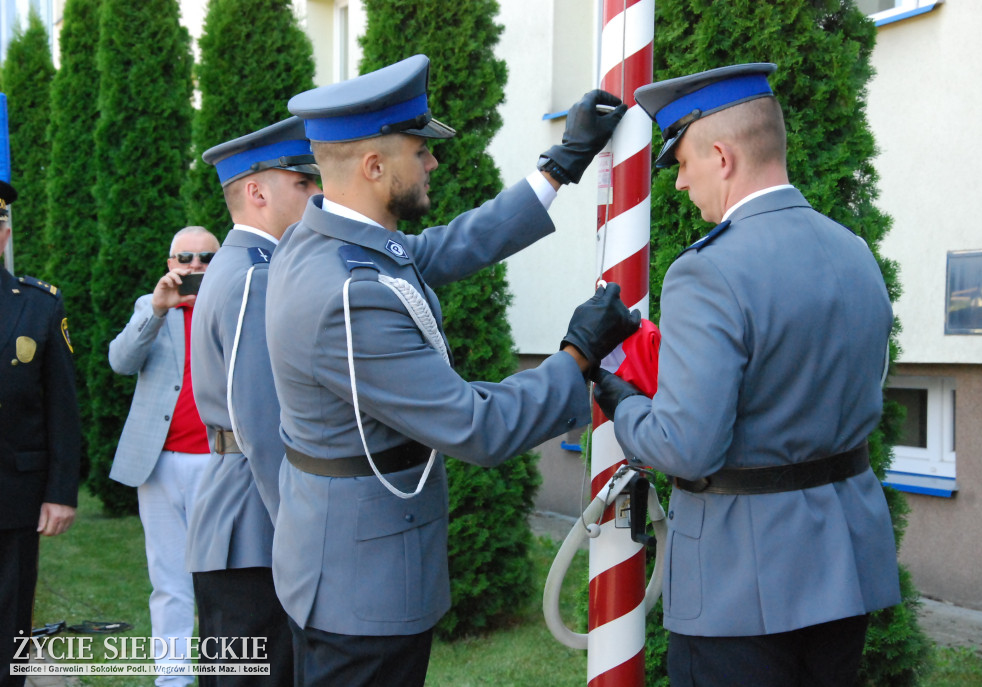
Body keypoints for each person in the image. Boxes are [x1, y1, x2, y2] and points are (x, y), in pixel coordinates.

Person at [266, 54, 637, 686]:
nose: (434, 161)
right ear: (374, 166)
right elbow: (477, 428)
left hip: (339, 561)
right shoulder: (347, 295)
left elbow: (447, 247)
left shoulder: (325, 241)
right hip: (364, 590)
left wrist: (558, 168)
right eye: (421, 150)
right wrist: (578, 353)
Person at [592, 63, 902, 687]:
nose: (679, 184)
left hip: (742, 580)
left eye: (681, 163)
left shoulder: (705, 271)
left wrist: (620, 402)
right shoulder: (855, 250)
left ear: (722, 156)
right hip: (845, 563)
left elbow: (688, 446)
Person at [186, 117, 320, 684]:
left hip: (236, 515)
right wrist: (301, 532)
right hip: (255, 527)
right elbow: (264, 424)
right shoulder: (253, 275)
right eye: (303, 183)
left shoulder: (243, 265)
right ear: (257, 192)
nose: (318, 194)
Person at [109, 226, 220, 687]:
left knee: (221, 582)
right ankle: (171, 679)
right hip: (159, 464)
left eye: (206, 259)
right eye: (185, 258)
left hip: (223, 463)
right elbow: (120, 361)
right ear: (170, 263)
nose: (194, 267)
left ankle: (226, 673)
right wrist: (157, 310)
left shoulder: (234, 305)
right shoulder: (148, 306)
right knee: (169, 581)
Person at [0, 180, 80, 687]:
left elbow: (62, 408)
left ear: (3, 235)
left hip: (15, 491)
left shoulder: (37, 305)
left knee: (10, 617)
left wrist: (60, 491)